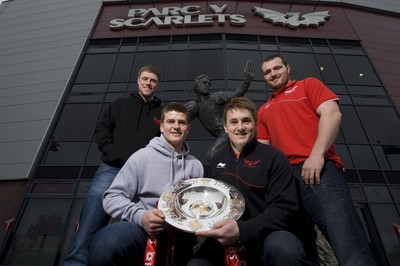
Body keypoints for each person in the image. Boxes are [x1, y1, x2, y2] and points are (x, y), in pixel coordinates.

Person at [257, 54, 376, 266]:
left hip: (319, 171)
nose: (273, 74)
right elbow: (263, 152)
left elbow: (332, 114)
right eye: (267, 72)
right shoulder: (263, 109)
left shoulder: (308, 85)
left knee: (347, 241)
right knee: (299, 248)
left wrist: (316, 155)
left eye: (277, 68)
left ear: (288, 68)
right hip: (286, 182)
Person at [194, 97, 317, 266]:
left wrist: (242, 230)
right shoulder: (216, 160)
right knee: (196, 263)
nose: (240, 127)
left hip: (266, 236)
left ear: (255, 125)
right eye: (234, 122)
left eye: (246, 121)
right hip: (226, 236)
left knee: (285, 250)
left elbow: (284, 209)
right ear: (225, 127)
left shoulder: (274, 157)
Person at [64, 65, 163, 265]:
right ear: (138, 81)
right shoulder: (119, 104)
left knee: (131, 230)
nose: (148, 83)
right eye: (145, 79)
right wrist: (113, 153)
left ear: (157, 85)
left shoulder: (161, 113)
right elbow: (102, 130)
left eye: (152, 80)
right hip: (111, 169)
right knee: (90, 225)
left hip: (142, 175)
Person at [87, 102, 204, 266]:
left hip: (180, 237)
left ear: (188, 128)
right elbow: (112, 196)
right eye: (171, 122)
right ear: (162, 127)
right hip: (142, 229)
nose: (176, 126)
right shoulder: (141, 157)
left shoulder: (196, 165)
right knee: (108, 241)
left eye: (181, 122)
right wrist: (141, 216)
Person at [185, 60, 255, 161]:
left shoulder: (215, 97)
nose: (208, 85)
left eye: (209, 84)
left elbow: (235, 94)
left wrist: (247, 80)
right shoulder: (195, 106)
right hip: (221, 135)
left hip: (226, 132)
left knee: (211, 154)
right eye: (204, 83)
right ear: (196, 86)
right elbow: (182, 119)